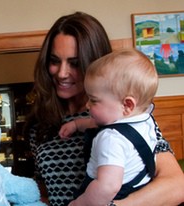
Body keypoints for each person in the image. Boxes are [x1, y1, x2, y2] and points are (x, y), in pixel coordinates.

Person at [25, 11, 184, 206]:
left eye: (74, 63)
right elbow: (44, 190)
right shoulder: (39, 124)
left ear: (94, 63)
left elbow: (177, 185)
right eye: (55, 61)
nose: (62, 73)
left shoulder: (121, 118)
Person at [69, 49, 159, 205]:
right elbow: (102, 122)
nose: (87, 104)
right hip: (140, 186)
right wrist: (77, 124)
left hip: (109, 197)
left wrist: (79, 203)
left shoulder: (111, 138)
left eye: (93, 100)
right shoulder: (144, 119)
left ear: (127, 105)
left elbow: (107, 187)